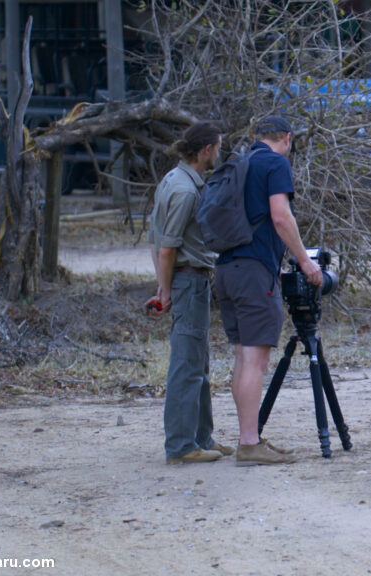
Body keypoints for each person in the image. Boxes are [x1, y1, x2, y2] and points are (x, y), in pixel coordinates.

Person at [215, 115, 323, 466]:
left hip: (227, 268)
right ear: (287, 138)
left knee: (243, 358)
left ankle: (251, 437)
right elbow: (280, 216)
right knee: (256, 361)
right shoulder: (275, 163)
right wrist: (305, 262)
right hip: (253, 273)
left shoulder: (241, 163)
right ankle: (248, 444)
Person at [145, 122, 233, 465]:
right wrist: (166, 290)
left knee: (199, 362)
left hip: (188, 280)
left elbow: (154, 238)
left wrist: (162, 285)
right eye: (218, 147)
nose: (220, 153)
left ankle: (201, 437)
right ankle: (181, 446)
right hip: (188, 280)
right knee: (186, 365)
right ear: (206, 150)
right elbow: (166, 247)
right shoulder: (185, 191)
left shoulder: (174, 179)